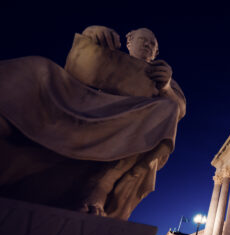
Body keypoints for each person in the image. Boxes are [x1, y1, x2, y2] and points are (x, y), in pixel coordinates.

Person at [0, 25, 185, 220]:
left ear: (156, 53)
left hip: (129, 125)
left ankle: (101, 184)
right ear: (129, 42)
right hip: (81, 105)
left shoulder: (163, 77)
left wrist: (165, 88)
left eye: (152, 45)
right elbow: (77, 68)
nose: (147, 46)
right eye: (143, 40)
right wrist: (91, 33)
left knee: (167, 110)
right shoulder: (108, 57)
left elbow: (179, 109)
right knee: (36, 67)